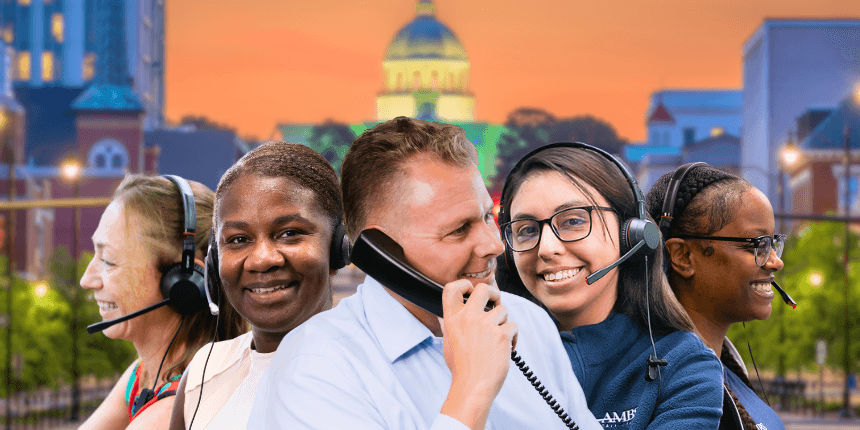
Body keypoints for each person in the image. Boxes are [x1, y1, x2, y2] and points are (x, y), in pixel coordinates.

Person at [248, 117, 601, 430]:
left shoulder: (527, 322)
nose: (493, 246)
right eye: (459, 229)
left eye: (487, 218)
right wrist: (472, 388)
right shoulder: (314, 368)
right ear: (381, 254)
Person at [496, 143, 724, 428]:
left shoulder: (684, 364)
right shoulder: (486, 354)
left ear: (631, 234)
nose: (546, 248)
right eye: (527, 230)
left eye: (573, 221)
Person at [167, 141, 347, 430]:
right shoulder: (205, 371)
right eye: (238, 239)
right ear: (214, 261)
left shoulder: (378, 372)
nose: (262, 259)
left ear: (339, 246)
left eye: (289, 233)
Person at [79, 175, 245, 429]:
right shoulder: (147, 373)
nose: (86, 280)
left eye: (109, 260)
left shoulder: (169, 413)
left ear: (185, 282)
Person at [645, 163, 786, 430]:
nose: (775, 262)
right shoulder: (678, 389)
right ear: (683, 256)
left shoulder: (725, 366)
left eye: (773, 243)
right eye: (757, 245)